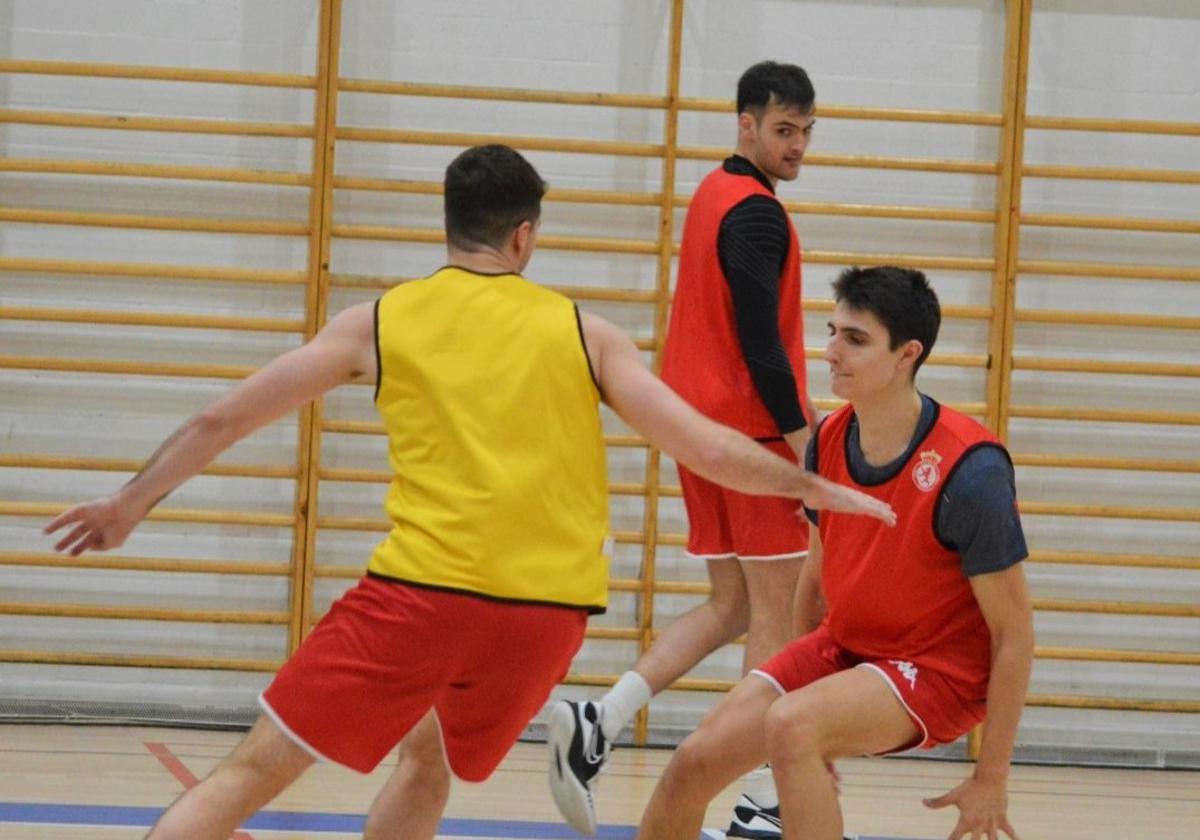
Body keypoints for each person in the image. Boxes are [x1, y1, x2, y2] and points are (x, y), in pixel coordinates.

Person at [43, 145, 894, 840]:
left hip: (421, 596)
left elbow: (221, 419)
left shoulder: (381, 320)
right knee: (427, 761)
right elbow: (703, 443)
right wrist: (814, 483)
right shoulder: (582, 332)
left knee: (254, 771)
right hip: (543, 620)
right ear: (524, 238)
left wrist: (131, 504)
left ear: (450, 226)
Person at [635, 265, 1034, 840]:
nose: (830, 352)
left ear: (907, 355)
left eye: (855, 339)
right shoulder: (827, 440)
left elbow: (1015, 633)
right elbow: (815, 585)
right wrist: (809, 689)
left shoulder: (972, 472)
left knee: (793, 726)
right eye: (832, 331)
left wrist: (991, 775)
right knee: (693, 763)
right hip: (845, 647)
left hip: (936, 672)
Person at [549, 60, 820, 837]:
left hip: (698, 433)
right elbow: (763, 345)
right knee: (784, 622)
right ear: (746, 125)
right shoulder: (759, 214)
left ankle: (601, 719)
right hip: (753, 437)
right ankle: (760, 803)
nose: (797, 145)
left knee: (733, 606)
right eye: (783, 130)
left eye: (805, 131)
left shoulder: (713, 193)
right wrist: (804, 447)